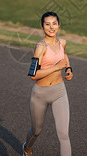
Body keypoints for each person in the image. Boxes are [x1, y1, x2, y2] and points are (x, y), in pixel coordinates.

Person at [23, 11, 73, 156]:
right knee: (36, 131)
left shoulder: (62, 42)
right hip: (40, 94)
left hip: (59, 92)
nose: (51, 27)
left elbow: (64, 55)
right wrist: (57, 67)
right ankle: (27, 148)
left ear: (59, 25)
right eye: (47, 24)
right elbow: (33, 75)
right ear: (42, 26)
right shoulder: (41, 47)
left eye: (54, 24)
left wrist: (68, 69)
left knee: (63, 134)